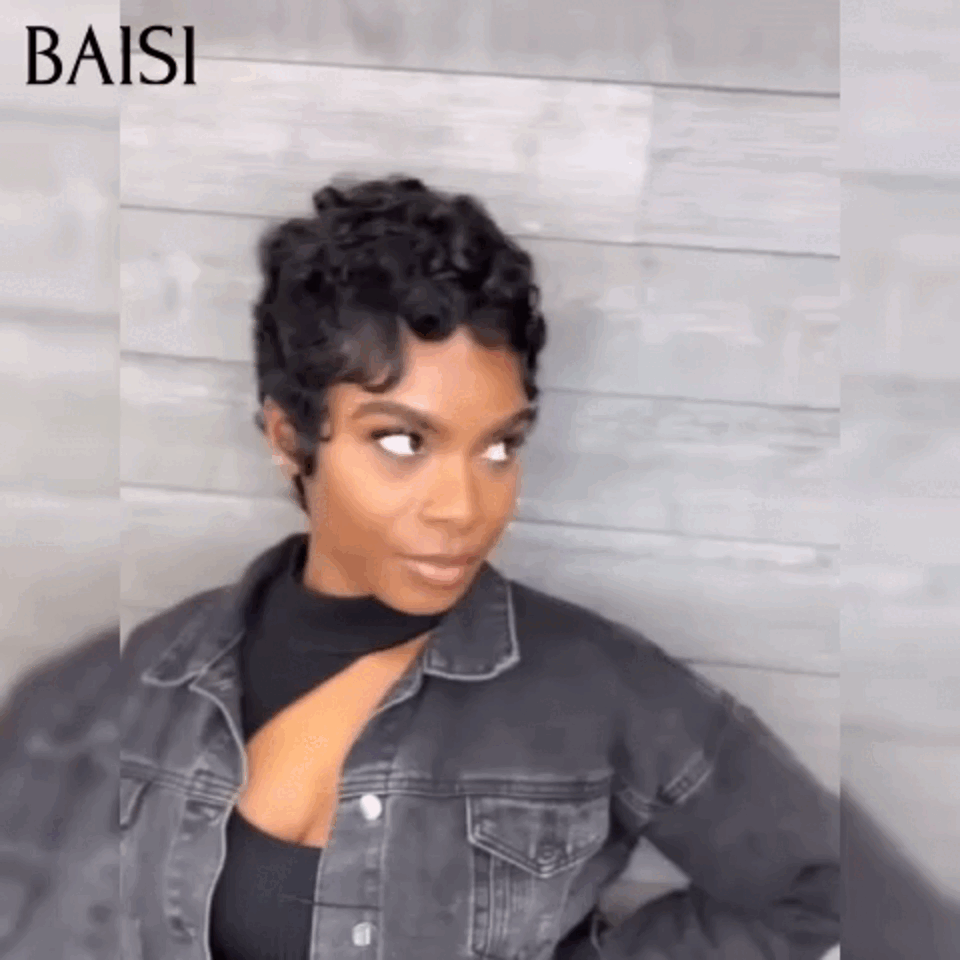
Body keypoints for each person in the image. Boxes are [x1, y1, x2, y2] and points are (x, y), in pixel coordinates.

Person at [118, 175, 841, 960]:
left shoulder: (596, 689)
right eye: (403, 442)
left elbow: (824, 890)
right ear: (290, 439)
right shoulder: (150, 677)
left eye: (499, 446)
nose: (464, 509)